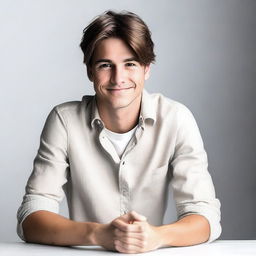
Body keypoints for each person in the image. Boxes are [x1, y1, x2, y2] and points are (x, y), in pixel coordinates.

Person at [17, 10, 221, 254]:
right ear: (90, 71)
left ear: (147, 69)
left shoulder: (176, 119)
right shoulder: (65, 121)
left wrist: (156, 236)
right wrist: (98, 234)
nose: (118, 77)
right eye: (105, 65)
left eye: (130, 64)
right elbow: (30, 216)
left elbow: (205, 217)